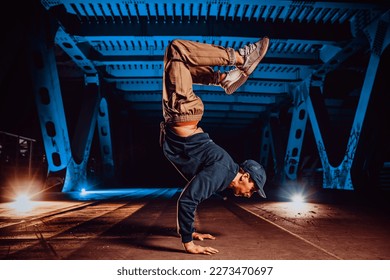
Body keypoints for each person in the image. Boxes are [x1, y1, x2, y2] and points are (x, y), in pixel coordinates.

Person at [160, 37, 269, 255]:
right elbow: (187, 200)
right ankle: (240, 58)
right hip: (183, 113)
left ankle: (224, 79)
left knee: (177, 62)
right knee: (177, 49)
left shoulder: (223, 174)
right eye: (253, 188)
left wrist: (189, 231)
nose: (249, 195)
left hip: (182, 116)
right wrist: (188, 244)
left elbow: (189, 195)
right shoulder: (223, 173)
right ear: (245, 176)